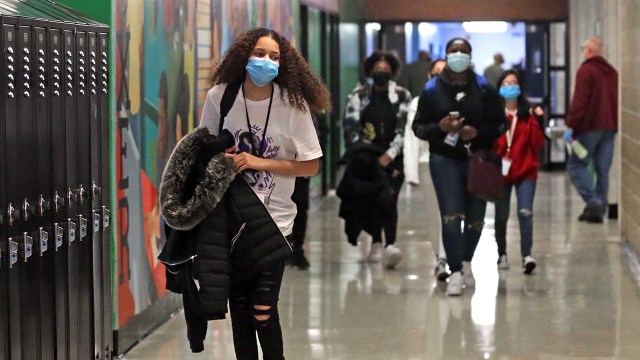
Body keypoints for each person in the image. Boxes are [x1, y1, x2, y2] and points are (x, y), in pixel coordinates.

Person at [199, 28, 331, 360]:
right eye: (259, 53)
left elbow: (310, 166)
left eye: (274, 57)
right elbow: (202, 151)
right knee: (241, 310)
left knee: (262, 308)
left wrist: (260, 161)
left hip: (276, 222)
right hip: (232, 223)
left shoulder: (292, 104)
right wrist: (220, 159)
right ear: (243, 55)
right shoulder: (221, 97)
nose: (265, 61)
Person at [412, 38, 507, 296]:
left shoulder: (484, 88)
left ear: (470, 56)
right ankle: (454, 271)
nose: (458, 55)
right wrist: (440, 128)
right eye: (453, 51)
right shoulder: (432, 90)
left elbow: (501, 124)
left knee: (476, 219)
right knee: (452, 216)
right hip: (444, 159)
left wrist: (476, 132)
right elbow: (418, 128)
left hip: (478, 158)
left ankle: (466, 263)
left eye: (463, 51)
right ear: (446, 55)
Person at [342, 50, 412, 269]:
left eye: (385, 69)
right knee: (373, 201)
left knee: (389, 199)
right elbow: (351, 127)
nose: (381, 72)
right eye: (377, 69)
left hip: (394, 157)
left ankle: (390, 244)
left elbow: (404, 127)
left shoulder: (402, 95)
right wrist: (368, 153)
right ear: (370, 70)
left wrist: (390, 154)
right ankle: (376, 241)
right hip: (367, 158)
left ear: (392, 71)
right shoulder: (359, 95)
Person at [493, 70, 545, 274]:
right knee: (501, 216)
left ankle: (526, 256)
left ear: (520, 88)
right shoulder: (494, 114)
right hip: (500, 171)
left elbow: (537, 144)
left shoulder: (528, 115)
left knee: (525, 213)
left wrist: (538, 122)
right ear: (499, 88)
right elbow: (489, 142)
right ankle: (502, 254)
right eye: (505, 84)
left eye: (513, 83)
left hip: (525, 170)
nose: (509, 87)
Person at [403, 59, 450, 280]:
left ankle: (453, 256)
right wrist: (411, 173)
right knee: (436, 214)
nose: (440, 75)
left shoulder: (459, 99)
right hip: (427, 163)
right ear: (430, 75)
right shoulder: (418, 102)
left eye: (444, 71)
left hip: (454, 162)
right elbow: (411, 138)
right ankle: (441, 256)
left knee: (453, 212)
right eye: (436, 71)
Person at [565, 37, 618, 224]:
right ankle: (598, 208)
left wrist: (571, 124)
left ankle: (593, 201)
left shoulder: (586, 71)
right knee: (602, 169)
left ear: (587, 51)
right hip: (610, 127)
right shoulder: (612, 72)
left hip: (588, 127)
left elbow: (580, 102)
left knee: (576, 166)